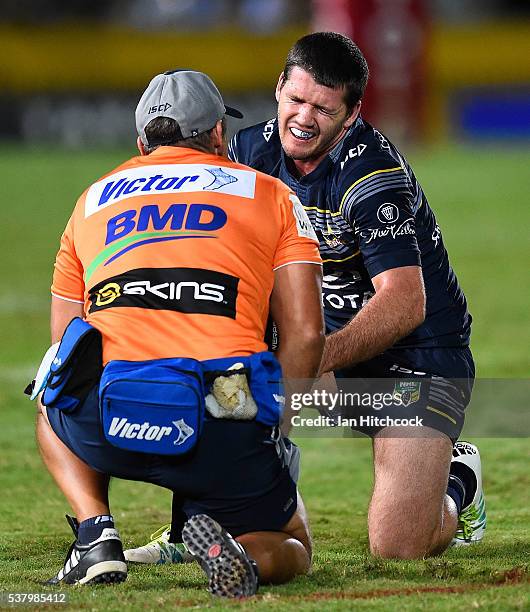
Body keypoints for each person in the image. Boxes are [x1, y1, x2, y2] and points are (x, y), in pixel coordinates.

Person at [131, 32, 485, 563]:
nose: (304, 118)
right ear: (278, 88)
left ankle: (460, 484)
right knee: (220, 379)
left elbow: (405, 303)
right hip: (326, 342)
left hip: (417, 357)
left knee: (398, 549)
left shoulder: (371, 175)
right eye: (296, 99)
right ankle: (194, 529)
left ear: (350, 113)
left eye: (323, 108)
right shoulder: (250, 153)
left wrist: (310, 357)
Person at [33, 69, 324, 597]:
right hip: (222, 413)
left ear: (141, 142)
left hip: (112, 418)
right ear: (218, 134)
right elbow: (305, 333)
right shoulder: (272, 194)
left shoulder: (91, 200)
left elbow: (66, 343)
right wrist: (276, 430)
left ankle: (95, 534)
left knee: (52, 392)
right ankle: (243, 558)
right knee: (293, 542)